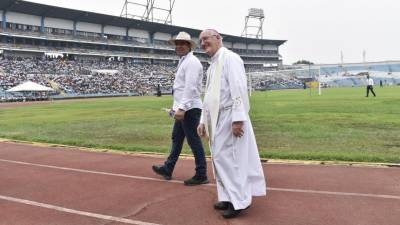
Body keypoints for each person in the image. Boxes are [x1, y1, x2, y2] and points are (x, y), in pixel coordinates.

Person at [197, 29, 266, 219]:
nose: (203, 43)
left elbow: (239, 89)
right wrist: (203, 120)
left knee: (232, 160)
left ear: (218, 38)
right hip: (216, 119)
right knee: (220, 159)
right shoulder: (212, 66)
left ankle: (239, 201)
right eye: (201, 40)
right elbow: (209, 96)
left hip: (229, 117)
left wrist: (238, 119)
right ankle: (227, 197)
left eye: (206, 39)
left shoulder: (230, 58)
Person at [152, 31, 209, 186]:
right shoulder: (184, 61)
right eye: (177, 44)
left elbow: (190, 88)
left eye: (182, 43)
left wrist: (182, 108)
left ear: (189, 46)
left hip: (189, 109)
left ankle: (201, 173)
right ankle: (168, 168)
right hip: (183, 108)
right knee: (176, 139)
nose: (179, 46)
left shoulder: (192, 62)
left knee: (193, 141)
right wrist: (176, 108)